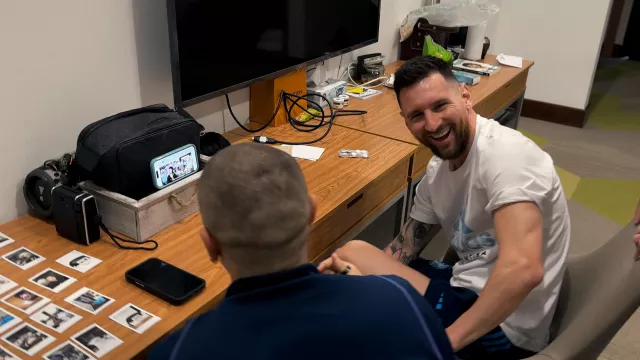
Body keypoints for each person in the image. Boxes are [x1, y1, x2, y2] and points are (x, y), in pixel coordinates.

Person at [327, 56, 571, 360]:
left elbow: (523, 270)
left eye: (440, 106)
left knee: (354, 259)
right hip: (465, 284)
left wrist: (444, 343)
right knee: (353, 267)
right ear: (404, 120)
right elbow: (405, 247)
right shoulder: (436, 173)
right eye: (417, 115)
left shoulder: (508, 158)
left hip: (505, 327)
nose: (431, 124)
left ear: (465, 95)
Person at [148, 143, 455, 360]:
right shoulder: (399, 300)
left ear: (209, 244)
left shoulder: (180, 350)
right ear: (311, 211)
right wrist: (369, 289)